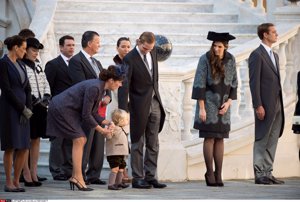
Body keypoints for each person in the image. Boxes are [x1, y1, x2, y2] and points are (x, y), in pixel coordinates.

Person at [46, 65, 124, 191]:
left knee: (80, 139)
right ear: (111, 81)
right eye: (120, 82)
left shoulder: (100, 87)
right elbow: (86, 115)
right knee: (80, 139)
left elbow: (93, 113)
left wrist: (107, 122)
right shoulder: (95, 88)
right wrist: (102, 130)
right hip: (61, 108)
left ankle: (76, 177)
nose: (120, 85)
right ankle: (77, 177)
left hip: (68, 109)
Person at [118, 31, 166, 189]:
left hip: (155, 103)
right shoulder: (129, 58)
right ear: (139, 42)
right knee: (138, 142)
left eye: (150, 48)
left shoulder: (153, 53)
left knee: (153, 142)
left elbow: (155, 79)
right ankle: (138, 177)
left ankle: (151, 176)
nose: (148, 51)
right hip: (138, 106)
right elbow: (124, 85)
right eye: (145, 48)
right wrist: (123, 110)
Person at [191, 31, 237, 187]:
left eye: (219, 46)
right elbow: (199, 84)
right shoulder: (205, 59)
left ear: (225, 47)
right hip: (208, 104)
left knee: (220, 138)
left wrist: (229, 103)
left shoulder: (231, 59)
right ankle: (209, 172)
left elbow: (234, 83)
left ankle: (219, 173)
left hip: (224, 105)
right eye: (214, 46)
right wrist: (202, 109)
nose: (216, 49)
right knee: (209, 137)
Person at [68, 31, 111, 185]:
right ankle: (80, 175)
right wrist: (98, 97)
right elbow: (80, 85)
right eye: (97, 42)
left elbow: (107, 82)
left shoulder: (97, 63)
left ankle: (94, 174)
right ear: (89, 43)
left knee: (98, 144)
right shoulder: (76, 61)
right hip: (85, 109)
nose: (100, 44)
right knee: (85, 142)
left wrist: (108, 96)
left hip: (99, 109)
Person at [248, 23, 285, 185]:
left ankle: (268, 172)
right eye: (273, 32)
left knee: (273, 138)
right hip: (264, 105)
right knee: (262, 138)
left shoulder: (274, 55)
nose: (277, 35)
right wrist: (258, 105)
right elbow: (254, 82)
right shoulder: (257, 54)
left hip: (277, 103)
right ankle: (259, 173)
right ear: (265, 35)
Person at [0, 35, 32, 192]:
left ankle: (17, 181)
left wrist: (29, 107)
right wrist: (22, 108)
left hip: (24, 110)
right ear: (15, 47)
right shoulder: (3, 63)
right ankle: (8, 182)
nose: (25, 52)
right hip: (10, 109)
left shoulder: (21, 64)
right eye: (24, 49)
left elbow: (27, 88)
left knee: (25, 146)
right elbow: (6, 89)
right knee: (11, 146)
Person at [21, 37, 51, 187]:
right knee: (26, 140)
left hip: (40, 108)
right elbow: (23, 86)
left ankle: (33, 171)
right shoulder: (20, 65)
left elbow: (45, 82)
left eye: (37, 51)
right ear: (25, 50)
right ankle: (25, 173)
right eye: (33, 50)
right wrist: (33, 99)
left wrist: (46, 96)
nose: (36, 53)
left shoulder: (38, 65)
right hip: (29, 107)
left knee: (36, 139)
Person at [45, 35, 75, 181]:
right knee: (57, 140)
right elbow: (48, 88)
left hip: (73, 109)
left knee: (70, 140)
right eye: (68, 45)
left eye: (73, 45)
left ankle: (68, 169)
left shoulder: (77, 64)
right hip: (58, 108)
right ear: (61, 47)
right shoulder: (53, 64)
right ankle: (56, 170)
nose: (71, 48)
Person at [108, 37, 132, 183]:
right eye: (123, 46)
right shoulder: (114, 67)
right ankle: (118, 172)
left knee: (126, 139)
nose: (126, 49)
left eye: (128, 47)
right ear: (117, 48)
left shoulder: (133, 64)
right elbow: (114, 88)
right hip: (117, 107)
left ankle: (124, 170)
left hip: (130, 107)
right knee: (117, 139)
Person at [106, 109, 130, 190]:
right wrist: (110, 129)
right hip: (114, 153)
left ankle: (119, 183)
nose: (128, 121)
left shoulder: (124, 128)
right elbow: (108, 137)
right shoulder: (113, 128)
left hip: (121, 153)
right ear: (120, 120)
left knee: (121, 168)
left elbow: (129, 126)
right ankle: (111, 184)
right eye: (126, 119)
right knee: (115, 169)